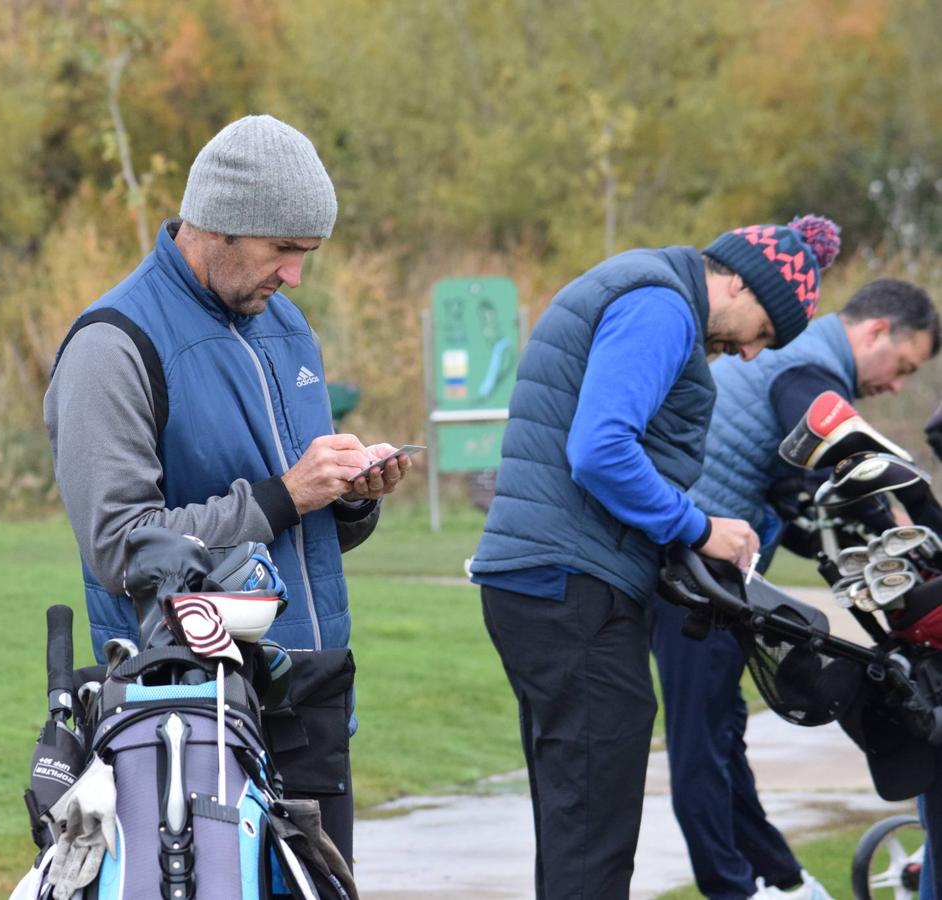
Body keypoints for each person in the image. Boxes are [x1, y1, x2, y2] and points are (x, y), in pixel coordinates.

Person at [43, 114, 412, 863]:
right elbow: (121, 547)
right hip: (183, 716)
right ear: (219, 226)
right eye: (284, 250)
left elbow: (300, 524)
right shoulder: (111, 346)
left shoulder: (285, 325)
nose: (295, 275)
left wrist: (350, 496)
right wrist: (287, 493)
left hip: (310, 698)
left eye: (307, 253)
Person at [467, 214, 843, 899]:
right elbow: (601, 449)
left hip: (550, 581)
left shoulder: (645, 290)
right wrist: (699, 528)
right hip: (573, 586)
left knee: (577, 822)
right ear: (736, 281)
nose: (754, 354)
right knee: (594, 835)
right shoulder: (662, 306)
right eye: (763, 332)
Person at [652, 277, 938, 900]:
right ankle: (737, 887)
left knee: (722, 737)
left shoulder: (803, 359)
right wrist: (920, 520)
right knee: (702, 742)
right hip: (685, 571)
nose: (896, 385)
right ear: (876, 332)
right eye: (903, 367)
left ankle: (780, 879)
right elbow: (849, 458)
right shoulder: (807, 367)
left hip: (708, 572)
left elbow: (807, 494)